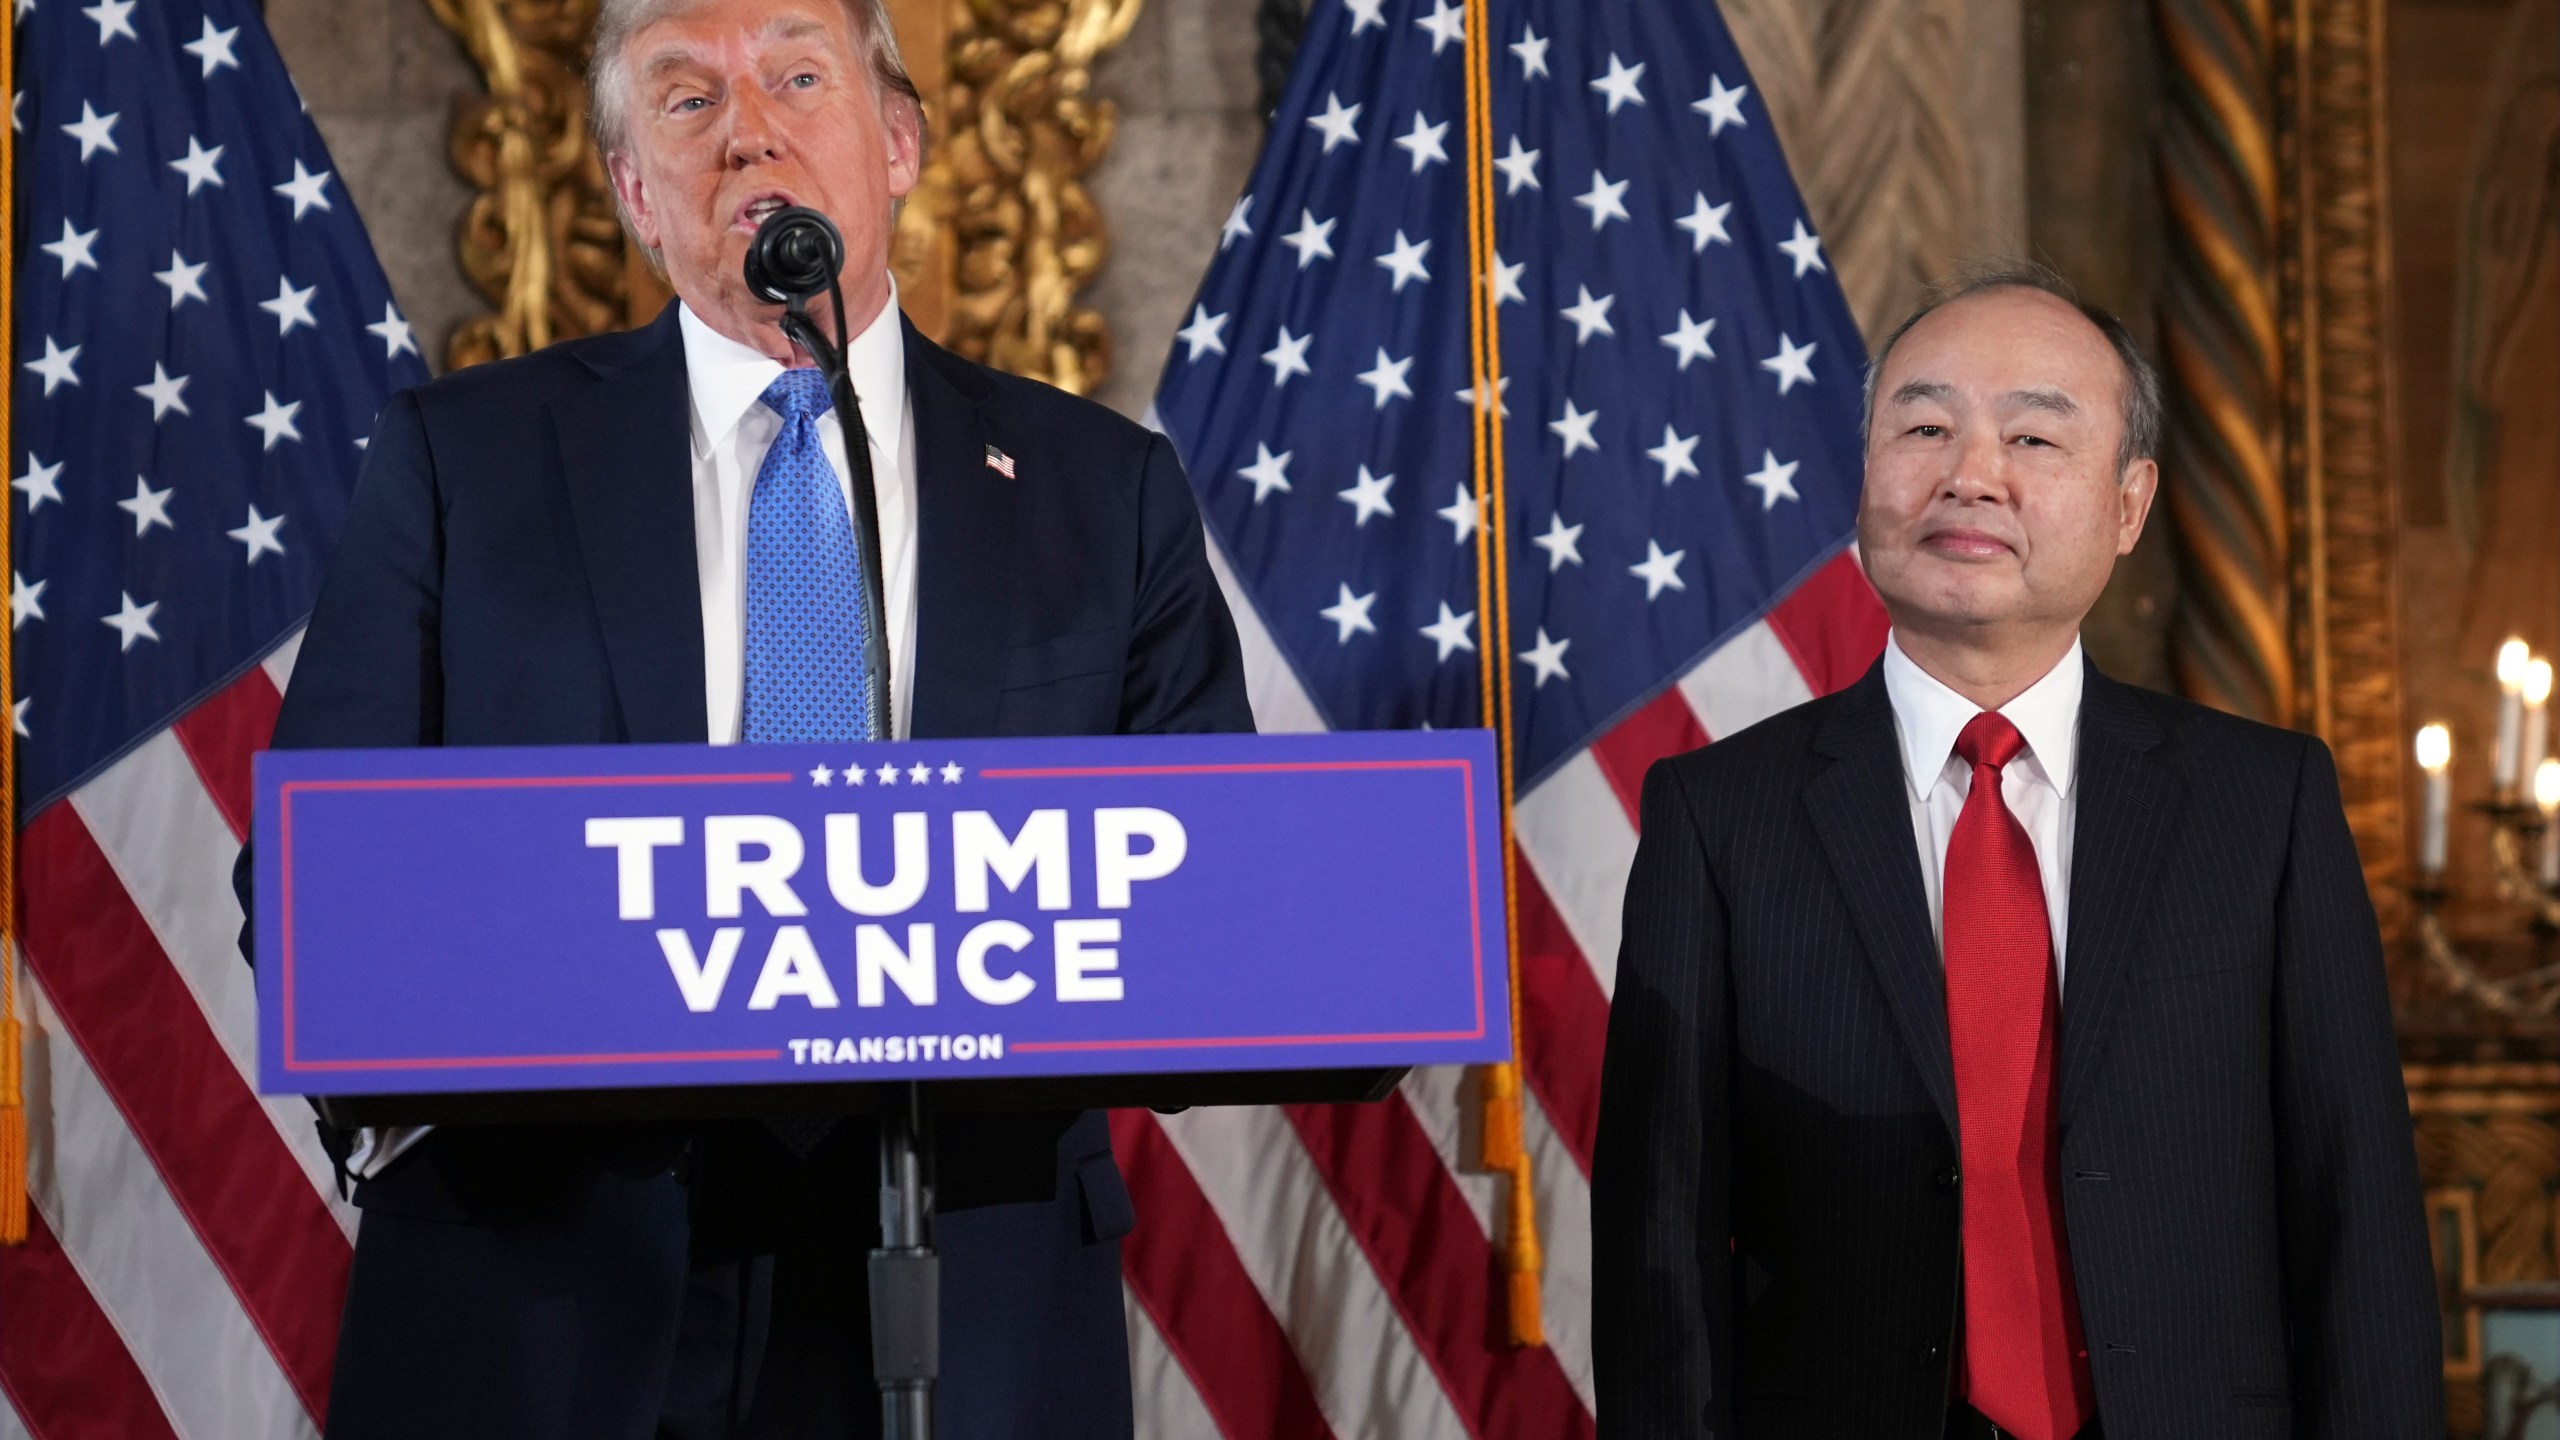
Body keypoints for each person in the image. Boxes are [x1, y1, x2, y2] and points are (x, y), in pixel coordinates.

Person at [242, 0, 1250, 1434]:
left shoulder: (1106, 490)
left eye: (795, 76)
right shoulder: (461, 467)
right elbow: (304, 880)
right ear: (631, 192)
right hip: (550, 1285)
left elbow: (1220, 887)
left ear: (897, 141)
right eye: (686, 99)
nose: (750, 132)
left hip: (966, 1285)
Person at [1592, 267, 2441, 1439]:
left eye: (2034, 435)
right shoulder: (1716, 814)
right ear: (1865, 477)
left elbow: (2360, 1217)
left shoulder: (2264, 804)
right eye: (1925, 426)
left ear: (2129, 504)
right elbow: (1659, 1243)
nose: (1969, 475)